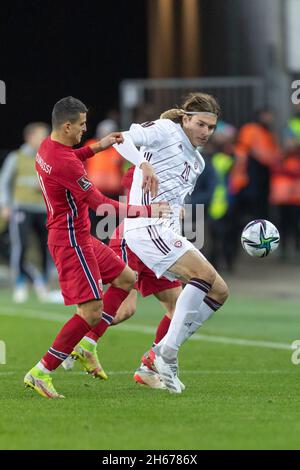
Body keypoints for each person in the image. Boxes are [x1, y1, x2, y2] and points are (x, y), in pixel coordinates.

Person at [67, 93, 229, 394]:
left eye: (211, 128)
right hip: (144, 229)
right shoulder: (166, 131)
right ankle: (159, 355)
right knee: (191, 284)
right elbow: (121, 138)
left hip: (166, 232)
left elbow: (173, 196)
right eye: (201, 124)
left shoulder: (198, 162)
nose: (206, 132)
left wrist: (179, 210)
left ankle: (152, 358)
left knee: (218, 292)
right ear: (185, 119)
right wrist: (143, 164)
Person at [23, 96, 169, 398]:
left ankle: (87, 345)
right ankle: (42, 371)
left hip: (80, 236)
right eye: (81, 125)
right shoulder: (64, 162)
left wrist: (98, 146)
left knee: (127, 278)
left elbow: (72, 156)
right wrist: (148, 212)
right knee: (90, 311)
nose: (84, 129)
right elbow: (99, 203)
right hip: (71, 240)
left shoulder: (49, 148)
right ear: (66, 125)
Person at [0, 122, 51, 302]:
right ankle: (20, 284)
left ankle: (43, 285)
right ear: (29, 137)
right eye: (41, 135)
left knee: (47, 248)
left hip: (43, 209)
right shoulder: (16, 157)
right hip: (21, 207)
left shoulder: (47, 159)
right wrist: (5, 205)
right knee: (20, 246)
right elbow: (4, 182)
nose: (45, 139)